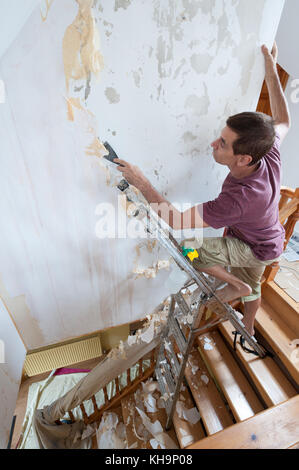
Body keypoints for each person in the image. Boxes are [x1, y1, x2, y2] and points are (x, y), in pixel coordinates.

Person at [115, 43, 291, 337]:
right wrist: (271, 68)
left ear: (243, 159)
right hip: (271, 242)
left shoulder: (239, 200)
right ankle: (247, 316)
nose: (213, 143)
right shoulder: (268, 149)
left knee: (189, 249)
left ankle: (236, 288)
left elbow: (177, 221)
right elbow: (284, 121)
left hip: (253, 248)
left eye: (223, 143)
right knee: (254, 288)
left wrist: (142, 182)